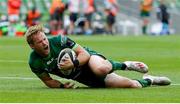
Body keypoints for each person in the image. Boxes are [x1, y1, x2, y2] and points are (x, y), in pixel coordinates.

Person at [25, 24, 171, 88]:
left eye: (44, 38)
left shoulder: (59, 40)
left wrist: (73, 63)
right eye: (40, 41)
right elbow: (48, 81)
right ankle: (150, 80)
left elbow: (84, 54)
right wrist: (63, 86)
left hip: (89, 60)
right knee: (132, 85)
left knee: (100, 69)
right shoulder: (34, 62)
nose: (45, 42)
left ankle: (126, 65)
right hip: (83, 77)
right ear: (32, 46)